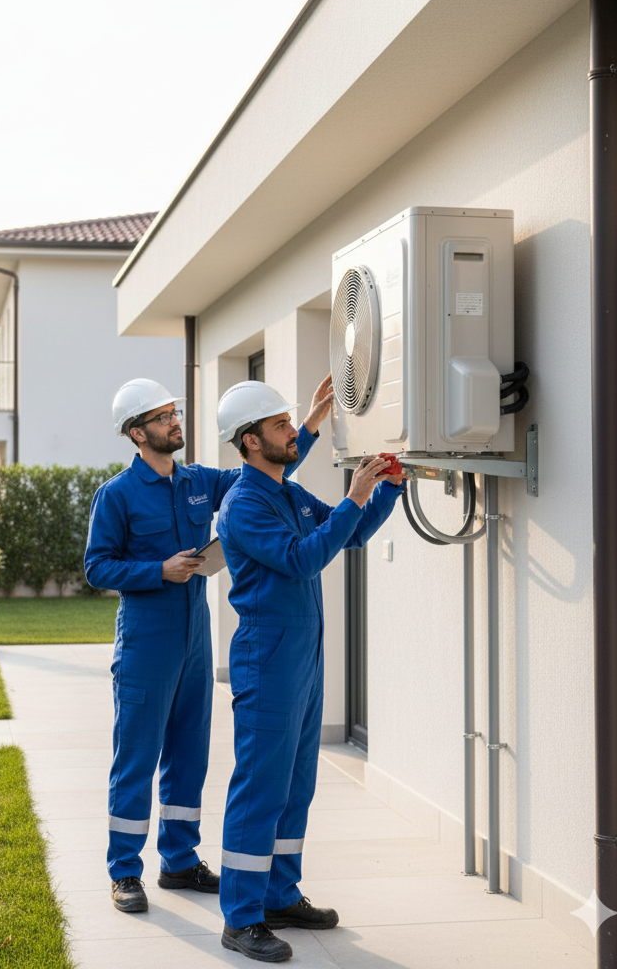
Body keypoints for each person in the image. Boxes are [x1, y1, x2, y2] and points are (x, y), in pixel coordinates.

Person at [84, 375, 334, 914]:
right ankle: (125, 871)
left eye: (175, 413)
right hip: (146, 641)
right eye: (163, 417)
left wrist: (308, 424)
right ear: (137, 433)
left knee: (189, 753)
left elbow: (265, 473)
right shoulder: (116, 495)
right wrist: (159, 570)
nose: (176, 422)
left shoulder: (199, 481)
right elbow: (96, 565)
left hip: (196, 637)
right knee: (136, 757)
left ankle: (179, 860)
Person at [214, 380, 403, 963]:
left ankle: (278, 894)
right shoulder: (243, 505)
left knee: (296, 785)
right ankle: (241, 918)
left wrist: (386, 492)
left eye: (291, 423)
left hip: (303, 658)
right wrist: (351, 495)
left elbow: (352, 534)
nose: (293, 432)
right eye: (281, 426)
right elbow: (304, 558)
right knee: (260, 788)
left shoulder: (287, 496)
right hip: (268, 661)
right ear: (250, 441)